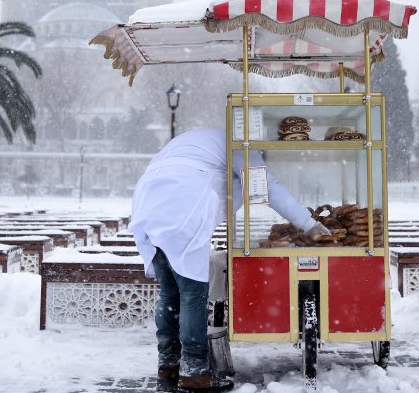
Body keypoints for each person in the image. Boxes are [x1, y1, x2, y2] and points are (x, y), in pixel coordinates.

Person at [129, 127, 328, 393]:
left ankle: (168, 366)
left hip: (149, 201)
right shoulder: (239, 144)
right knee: (192, 294)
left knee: (169, 293)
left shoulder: (201, 139)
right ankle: (195, 371)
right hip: (184, 203)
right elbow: (266, 186)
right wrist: (308, 223)